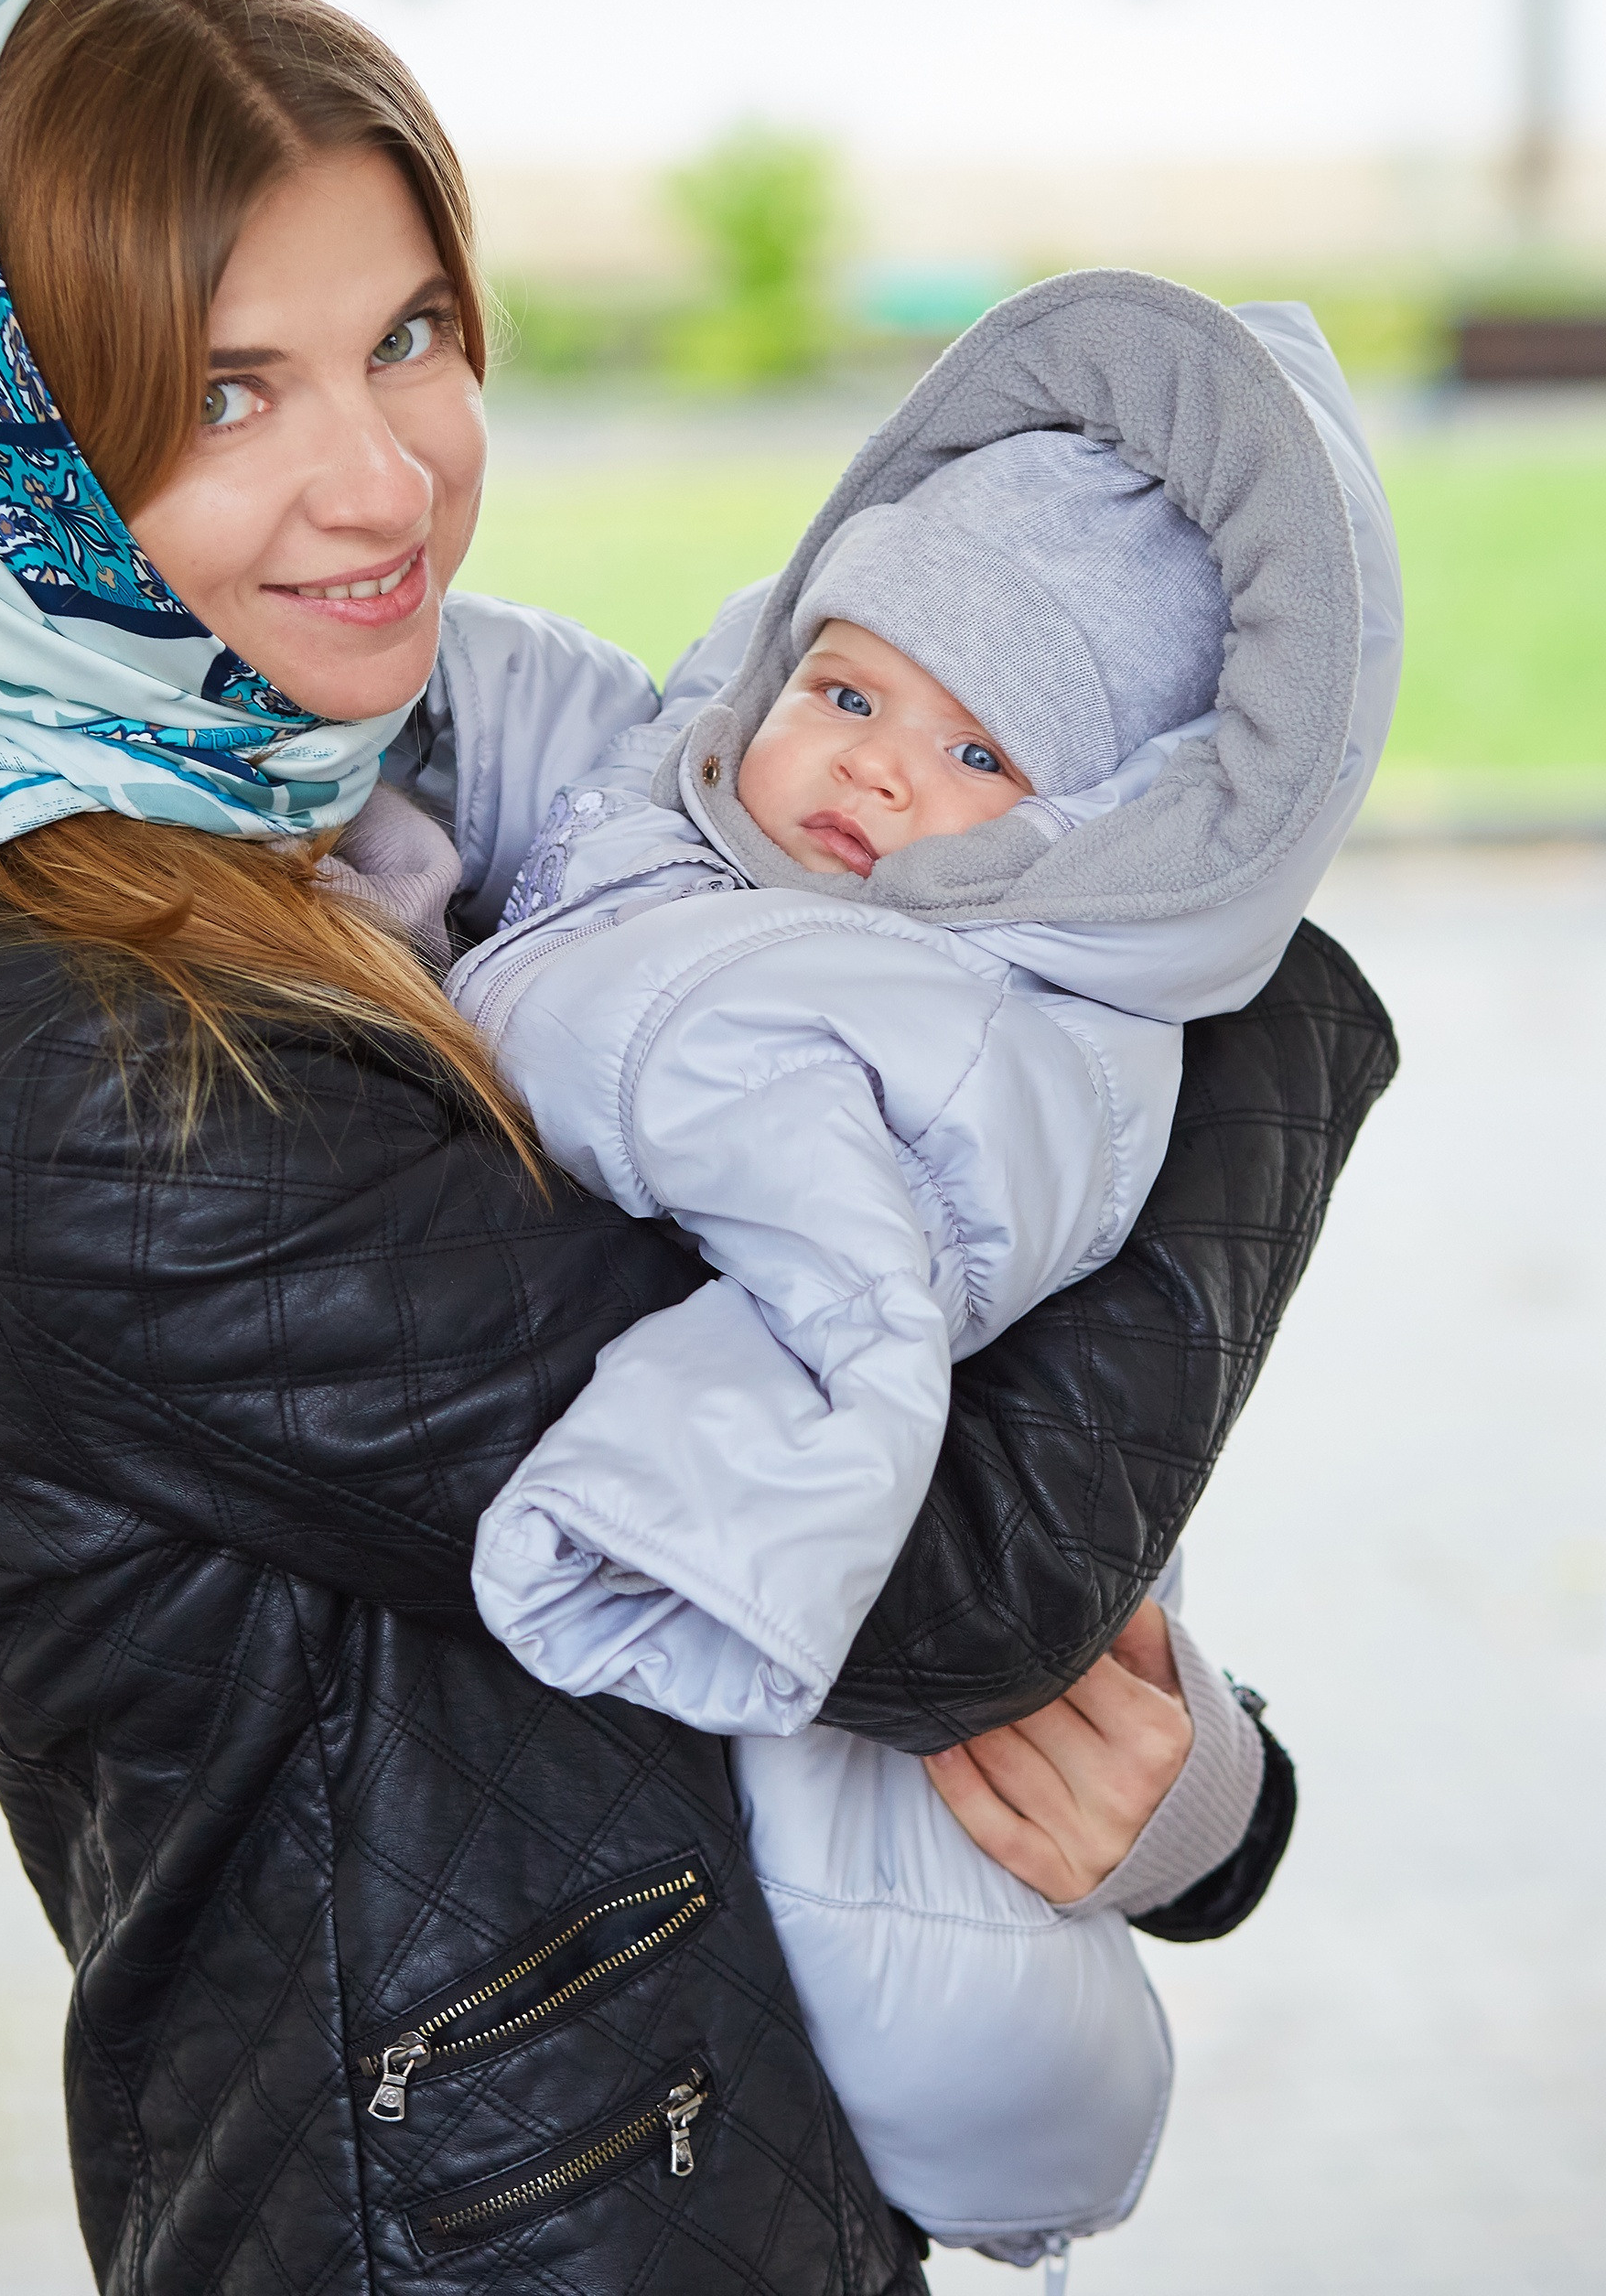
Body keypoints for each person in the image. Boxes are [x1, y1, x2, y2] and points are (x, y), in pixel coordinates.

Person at [0, 0, 1396, 2295]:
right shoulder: (73, 1059)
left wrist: (1189, 1794)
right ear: (12, 448)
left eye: (408, 333)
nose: (381, 477)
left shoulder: (373, 778)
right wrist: (1245, 979)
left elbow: (890, 1282)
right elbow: (926, 1577)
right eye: (227, 390)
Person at [448, 280, 1401, 2255]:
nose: (876, 772)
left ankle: (1028, 2121)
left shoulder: (979, 1015)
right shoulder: (684, 802)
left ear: (1097, 834)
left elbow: (868, 1299)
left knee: (926, 1965)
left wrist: (673, 1491)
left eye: (980, 751)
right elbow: (513, 704)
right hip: (534, 2047)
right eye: (850, 694)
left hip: (834, 1646)